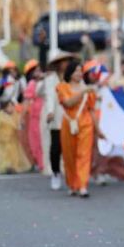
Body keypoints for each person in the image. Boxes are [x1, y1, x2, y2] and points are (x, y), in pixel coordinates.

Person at [56, 60, 100, 197]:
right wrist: (82, 92)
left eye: (81, 71)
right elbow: (68, 103)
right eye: (76, 71)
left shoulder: (88, 89)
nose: (79, 73)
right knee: (69, 155)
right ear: (69, 72)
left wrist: (98, 129)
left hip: (86, 124)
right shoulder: (62, 87)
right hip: (69, 123)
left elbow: (92, 110)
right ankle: (72, 184)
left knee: (84, 155)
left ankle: (82, 186)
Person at [42, 53, 72, 190]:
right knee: (55, 148)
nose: (65, 64)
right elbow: (50, 97)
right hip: (56, 117)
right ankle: (55, 173)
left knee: (71, 148)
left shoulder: (73, 77)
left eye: (67, 61)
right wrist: (50, 112)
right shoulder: (50, 80)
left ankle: (73, 175)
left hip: (72, 117)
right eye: (62, 61)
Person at [0, 101, 33, 174]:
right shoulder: (1, 115)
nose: (11, 108)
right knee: (5, 153)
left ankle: (13, 166)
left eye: (12, 106)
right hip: (4, 138)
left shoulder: (15, 114)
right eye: (9, 106)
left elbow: (18, 124)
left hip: (13, 138)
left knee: (14, 153)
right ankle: (7, 167)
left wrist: (22, 125)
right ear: (4, 108)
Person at [21, 60, 45, 171]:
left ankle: (43, 163)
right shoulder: (32, 84)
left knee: (40, 140)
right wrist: (22, 117)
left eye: (39, 69)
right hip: (36, 115)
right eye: (36, 70)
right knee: (36, 140)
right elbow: (26, 102)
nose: (39, 72)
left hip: (44, 114)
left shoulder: (46, 82)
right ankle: (41, 163)